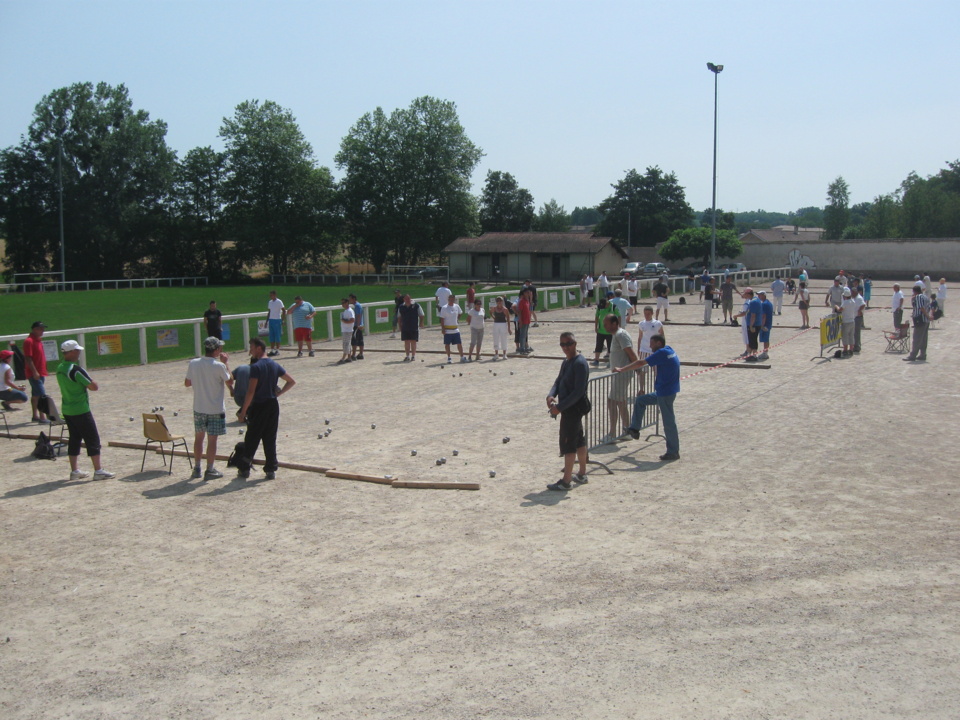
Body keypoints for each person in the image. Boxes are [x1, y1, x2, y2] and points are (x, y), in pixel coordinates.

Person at [614, 334, 681, 462]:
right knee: (641, 400)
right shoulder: (669, 350)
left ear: (659, 343)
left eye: (652, 343)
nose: (650, 346)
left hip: (665, 393)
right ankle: (634, 429)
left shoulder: (661, 353)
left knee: (669, 423)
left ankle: (673, 451)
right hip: (666, 391)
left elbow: (640, 362)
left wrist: (622, 369)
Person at [237, 337, 296, 480]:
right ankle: (270, 469)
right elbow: (291, 381)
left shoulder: (256, 367)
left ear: (259, 348)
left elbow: (251, 392)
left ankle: (244, 469)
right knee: (270, 437)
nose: (250, 350)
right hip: (272, 405)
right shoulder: (274, 364)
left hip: (259, 405)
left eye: (251, 347)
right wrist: (279, 393)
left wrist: (243, 411)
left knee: (252, 437)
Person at [55, 340, 114, 480]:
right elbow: (94, 387)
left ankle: (74, 470)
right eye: (76, 350)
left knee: (74, 439)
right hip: (80, 409)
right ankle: (98, 470)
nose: (79, 353)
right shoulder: (75, 370)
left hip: (67, 409)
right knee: (92, 439)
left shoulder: (60, 368)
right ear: (70, 352)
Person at [545, 332, 591, 491]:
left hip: (573, 409)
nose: (565, 347)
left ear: (575, 343)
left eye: (569, 343)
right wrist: (551, 395)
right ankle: (582, 473)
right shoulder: (567, 361)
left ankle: (566, 481)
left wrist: (560, 407)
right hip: (569, 408)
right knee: (579, 440)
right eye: (562, 344)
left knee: (568, 443)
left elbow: (578, 392)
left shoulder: (580, 363)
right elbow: (558, 381)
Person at [185, 337, 234, 480]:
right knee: (212, 440)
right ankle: (210, 468)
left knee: (198, 438)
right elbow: (230, 380)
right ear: (217, 350)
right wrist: (226, 364)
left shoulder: (193, 363)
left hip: (199, 407)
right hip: (215, 409)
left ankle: (197, 467)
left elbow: (187, 383)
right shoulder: (219, 366)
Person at [601, 314, 638, 444]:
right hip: (619, 374)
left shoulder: (621, 335)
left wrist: (638, 369)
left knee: (612, 401)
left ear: (614, 323)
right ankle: (627, 430)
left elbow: (631, 353)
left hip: (622, 374)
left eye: (606, 324)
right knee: (621, 402)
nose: (604, 326)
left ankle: (612, 433)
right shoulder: (616, 335)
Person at [23, 321, 49, 423]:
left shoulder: (38, 340)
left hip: (40, 372)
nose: (43, 331)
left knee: (36, 395)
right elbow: (28, 358)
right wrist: (34, 372)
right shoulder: (29, 341)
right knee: (42, 395)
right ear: (35, 329)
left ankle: (35, 416)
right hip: (35, 373)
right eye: (41, 329)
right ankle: (42, 417)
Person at [903, 285, 932, 362]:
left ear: (914, 291)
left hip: (920, 320)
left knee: (917, 338)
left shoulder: (918, 297)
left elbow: (921, 308)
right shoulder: (925, 297)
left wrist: (927, 316)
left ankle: (912, 355)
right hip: (925, 321)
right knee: (923, 338)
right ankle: (923, 354)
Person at [397, 294, 425, 361]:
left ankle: (413, 355)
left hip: (414, 326)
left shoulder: (416, 305)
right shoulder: (401, 307)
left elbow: (421, 315)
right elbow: (399, 317)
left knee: (413, 341)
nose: (407, 300)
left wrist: (421, 322)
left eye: (408, 298)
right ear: (404, 299)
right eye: (406, 299)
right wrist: (400, 326)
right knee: (406, 341)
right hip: (405, 326)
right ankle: (407, 355)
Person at [439, 294, 466, 363]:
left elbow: (460, 313)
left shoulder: (456, 306)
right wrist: (443, 328)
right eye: (450, 299)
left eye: (452, 299)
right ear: (448, 299)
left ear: (454, 300)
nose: (451, 300)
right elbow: (442, 319)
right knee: (447, 344)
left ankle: (462, 357)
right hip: (447, 329)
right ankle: (449, 357)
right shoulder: (444, 308)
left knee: (459, 343)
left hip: (455, 329)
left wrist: (457, 319)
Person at [834, 287, 857, 358]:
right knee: (851, 336)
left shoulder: (845, 302)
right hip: (852, 321)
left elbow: (840, 310)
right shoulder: (853, 301)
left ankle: (845, 349)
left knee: (845, 336)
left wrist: (836, 306)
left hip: (846, 321)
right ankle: (851, 349)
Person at [592, 297, 615, 366]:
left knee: (610, 347)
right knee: (598, 346)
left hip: (610, 331)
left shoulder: (613, 306)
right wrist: (596, 327)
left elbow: (618, 316)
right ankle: (596, 360)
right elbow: (596, 317)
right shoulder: (600, 307)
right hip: (601, 331)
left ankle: (611, 362)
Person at [265, 290, 285, 357]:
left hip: (277, 320)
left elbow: (284, 310)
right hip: (271, 320)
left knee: (277, 335)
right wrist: (267, 321)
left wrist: (282, 320)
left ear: (275, 295)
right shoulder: (270, 302)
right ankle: (272, 350)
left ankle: (277, 350)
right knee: (272, 335)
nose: (270, 296)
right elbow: (269, 311)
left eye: (271, 295)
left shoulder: (279, 301)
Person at [757, 289, 774, 360]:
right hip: (769, 323)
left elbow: (763, 316)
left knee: (765, 339)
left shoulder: (764, 304)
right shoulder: (769, 303)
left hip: (765, 324)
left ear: (764, 295)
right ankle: (765, 352)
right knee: (766, 339)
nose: (758, 296)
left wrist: (762, 325)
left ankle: (765, 353)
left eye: (760, 295)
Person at [515, 288, 533, 355]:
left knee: (525, 335)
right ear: (524, 293)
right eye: (527, 293)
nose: (528, 294)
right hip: (523, 320)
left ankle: (524, 348)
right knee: (522, 335)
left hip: (527, 320)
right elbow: (519, 312)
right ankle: (522, 349)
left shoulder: (527, 301)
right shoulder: (522, 301)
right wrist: (520, 321)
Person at [337, 298, 355, 364]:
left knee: (346, 344)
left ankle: (343, 358)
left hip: (347, 330)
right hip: (346, 329)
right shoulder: (346, 311)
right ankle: (349, 357)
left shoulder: (349, 311)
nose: (342, 304)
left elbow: (352, 320)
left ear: (347, 303)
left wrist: (344, 321)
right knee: (347, 343)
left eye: (343, 303)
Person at [850, 285, 867, 353]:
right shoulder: (853, 297)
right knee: (854, 333)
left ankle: (857, 347)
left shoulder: (859, 298)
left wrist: (859, 310)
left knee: (856, 333)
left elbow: (863, 304)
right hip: (854, 317)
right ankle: (854, 345)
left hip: (858, 317)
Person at [348, 293, 365, 360]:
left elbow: (358, 316)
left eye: (350, 299)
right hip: (360, 324)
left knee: (354, 340)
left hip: (357, 325)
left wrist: (357, 325)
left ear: (353, 299)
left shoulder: (357, 306)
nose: (349, 300)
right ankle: (361, 354)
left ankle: (354, 354)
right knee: (360, 339)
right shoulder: (358, 305)